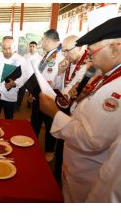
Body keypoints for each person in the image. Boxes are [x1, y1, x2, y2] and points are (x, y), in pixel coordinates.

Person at [39, 16, 121, 202]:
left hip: (88, 173)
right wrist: (81, 98)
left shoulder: (116, 88)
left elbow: (91, 139)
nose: (89, 58)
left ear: (115, 49)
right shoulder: (106, 75)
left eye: (91, 53)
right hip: (77, 164)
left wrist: (54, 113)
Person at [52, 35, 90, 179]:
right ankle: (58, 174)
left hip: (77, 111)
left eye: (68, 51)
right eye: (64, 51)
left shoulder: (89, 65)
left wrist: (66, 96)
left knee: (71, 148)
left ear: (80, 47)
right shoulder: (68, 62)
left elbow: (74, 90)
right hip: (65, 105)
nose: (65, 55)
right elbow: (58, 86)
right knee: (61, 143)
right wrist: (60, 72)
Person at [30, 29, 64, 162]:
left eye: (43, 39)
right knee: (35, 122)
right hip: (39, 95)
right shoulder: (47, 55)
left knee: (50, 125)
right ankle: (31, 144)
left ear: (49, 40)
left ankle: (50, 151)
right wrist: (33, 92)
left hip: (51, 97)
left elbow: (58, 81)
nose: (41, 42)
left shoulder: (60, 57)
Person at [0, 36, 32, 119]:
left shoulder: (21, 60)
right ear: (1, 47)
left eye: (9, 48)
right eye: (4, 48)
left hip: (10, 96)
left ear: (14, 47)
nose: (7, 51)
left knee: (9, 119)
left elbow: (24, 76)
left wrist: (15, 83)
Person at [16, 41, 42, 110]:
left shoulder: (39, 58)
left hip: (33, 77)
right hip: (24, 77)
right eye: (30, 46)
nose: (31, 48)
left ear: (36, 48)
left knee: (32, 92)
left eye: (33, 46)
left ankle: (29, 103)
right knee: (21, 91)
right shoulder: (25, 56)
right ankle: (17, 105)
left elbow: (40, 69)